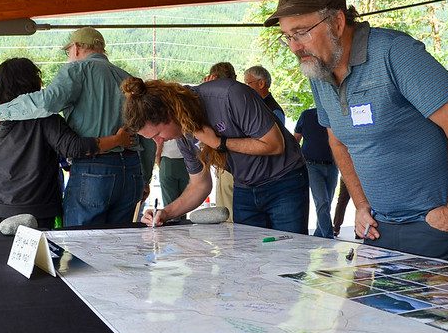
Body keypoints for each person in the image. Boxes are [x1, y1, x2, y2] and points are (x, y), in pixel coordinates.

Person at [265, 0, 448, 264]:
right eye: (288, 37)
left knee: (432, 311)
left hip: (433, 228)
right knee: (369, 310)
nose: (295, 47)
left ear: (337, 22)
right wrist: (360, 204)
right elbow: (337, 139)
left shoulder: (395, 53)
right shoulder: (318, 70)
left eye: (302, 32)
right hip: (376, 228)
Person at [0, 27, 154, 227]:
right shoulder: (129, 79)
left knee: (81, 246)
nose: (69, 56)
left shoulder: (78, 70)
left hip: (95, 169)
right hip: (131, 172)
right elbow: (147, 135)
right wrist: (145, 178)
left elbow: (47, 103)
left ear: (77, 48)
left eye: (68, 51)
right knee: (118, 246)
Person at [122, 76, 308, 233]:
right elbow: (200, 185)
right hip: (245, 186)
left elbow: (275, 145)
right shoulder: (183, 131)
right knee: (251, 262)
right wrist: (166, 213)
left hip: (284, 181)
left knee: (289, 253)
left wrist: (219, 143)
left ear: (169, 114)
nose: (159, 142)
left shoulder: (229, 96)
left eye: (157, 135)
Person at [0, 58, 133, 231]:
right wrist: (117, 140)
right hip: (31, 210)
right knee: (37, 259)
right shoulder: (44, 120)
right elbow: (75, 148)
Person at [294, 108, 338, 238]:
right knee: (322, 202)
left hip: (332, 165)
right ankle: (328, 236)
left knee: (327, 203)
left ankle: (319, 234)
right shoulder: (307, 115)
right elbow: (295, 138)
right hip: (311, 165)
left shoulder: (334, 114)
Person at [203, 62, 237, 220]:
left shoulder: (220, 100)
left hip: (230, 162)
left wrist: (205, 94)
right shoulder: (241, 96)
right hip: (229, 163)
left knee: (227, 215)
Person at [155, 138, 189, 207]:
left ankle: (173, 218)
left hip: (168, 162)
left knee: (170, 204)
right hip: (188, 161)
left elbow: (158, 145)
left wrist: (160, 163)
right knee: (184, 203)